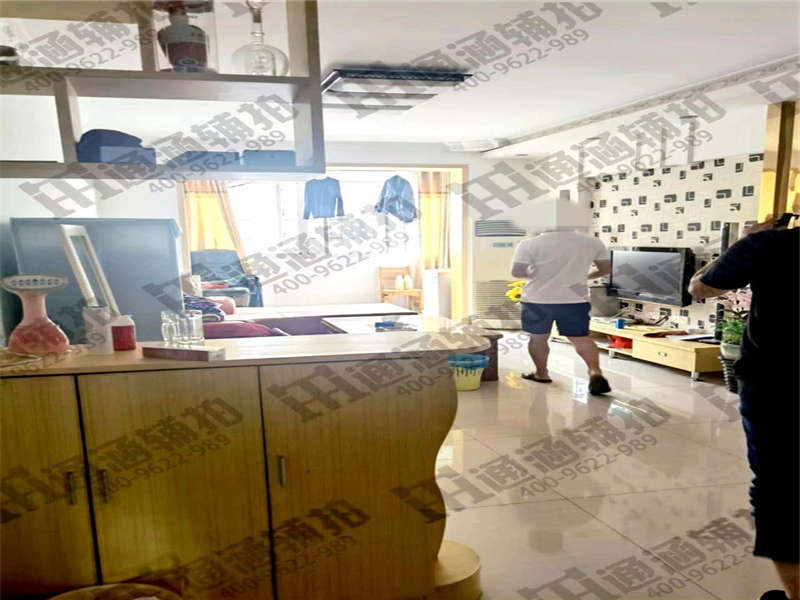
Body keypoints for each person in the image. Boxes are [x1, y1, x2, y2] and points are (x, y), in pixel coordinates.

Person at [689, 217, 799, 600]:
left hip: (779, 386)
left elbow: (700, 288)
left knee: (781, 488)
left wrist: (743, 243)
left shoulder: (770, 245)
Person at [510, 227, 612, 395]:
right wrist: (583, 277)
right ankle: (595, 372)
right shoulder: (592, 242)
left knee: (538, 338)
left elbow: (517, 272)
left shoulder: (529, 244)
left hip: (537, 300)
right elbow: (605, 269)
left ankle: (542, 374)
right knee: (580, 338)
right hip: (575, 300)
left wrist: (540, 276)